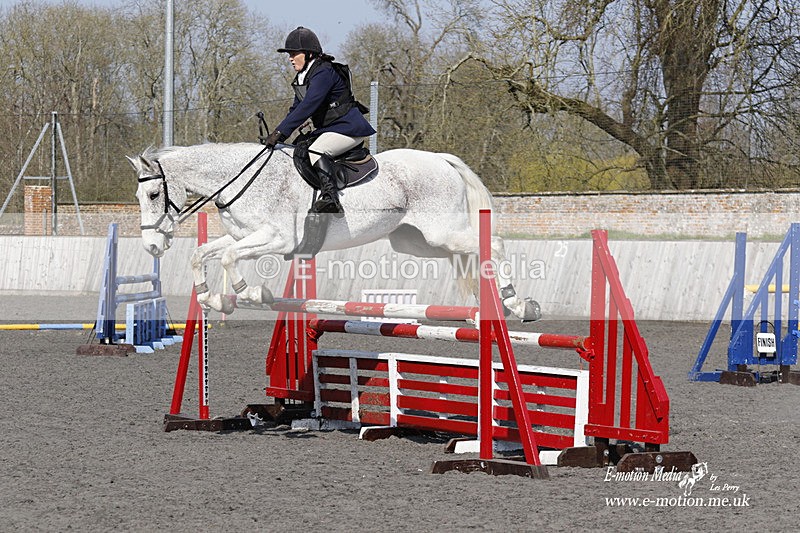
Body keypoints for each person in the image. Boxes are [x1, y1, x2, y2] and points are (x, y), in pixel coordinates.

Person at [263, 27, 375, 215]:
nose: (290, 58)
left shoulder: (324, 72)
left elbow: (308, 106)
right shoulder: (303, 77)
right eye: (289, 55)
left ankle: (331, 198)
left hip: (349, 128)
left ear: (308, 54)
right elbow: (296, 109)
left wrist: (280, 133)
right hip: (331, 130)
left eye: (294, 54)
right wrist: (276, 134)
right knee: (297, 148)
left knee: (316, 150)